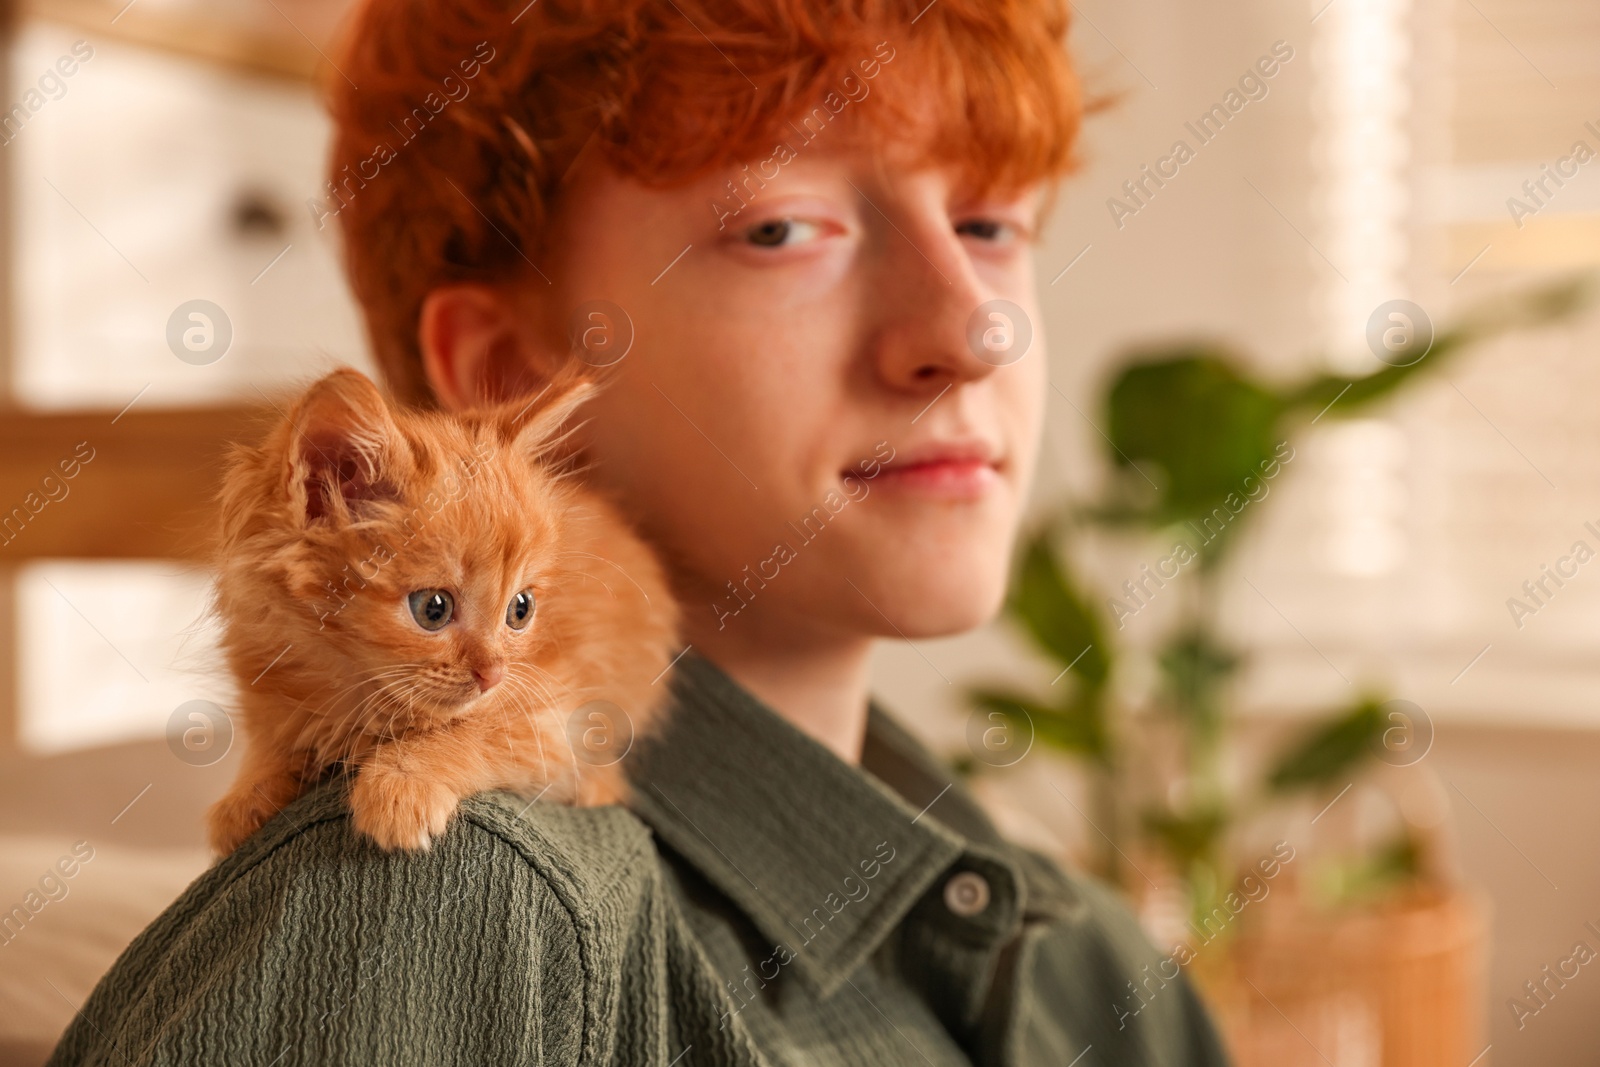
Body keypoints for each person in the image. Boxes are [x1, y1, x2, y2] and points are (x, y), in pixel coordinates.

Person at [49, 0, 1230, 1063]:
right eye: (782, 227)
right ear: (510, 374)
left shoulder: (1101, 966)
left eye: (987, 223)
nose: (972, 331)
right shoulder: (449, 904)